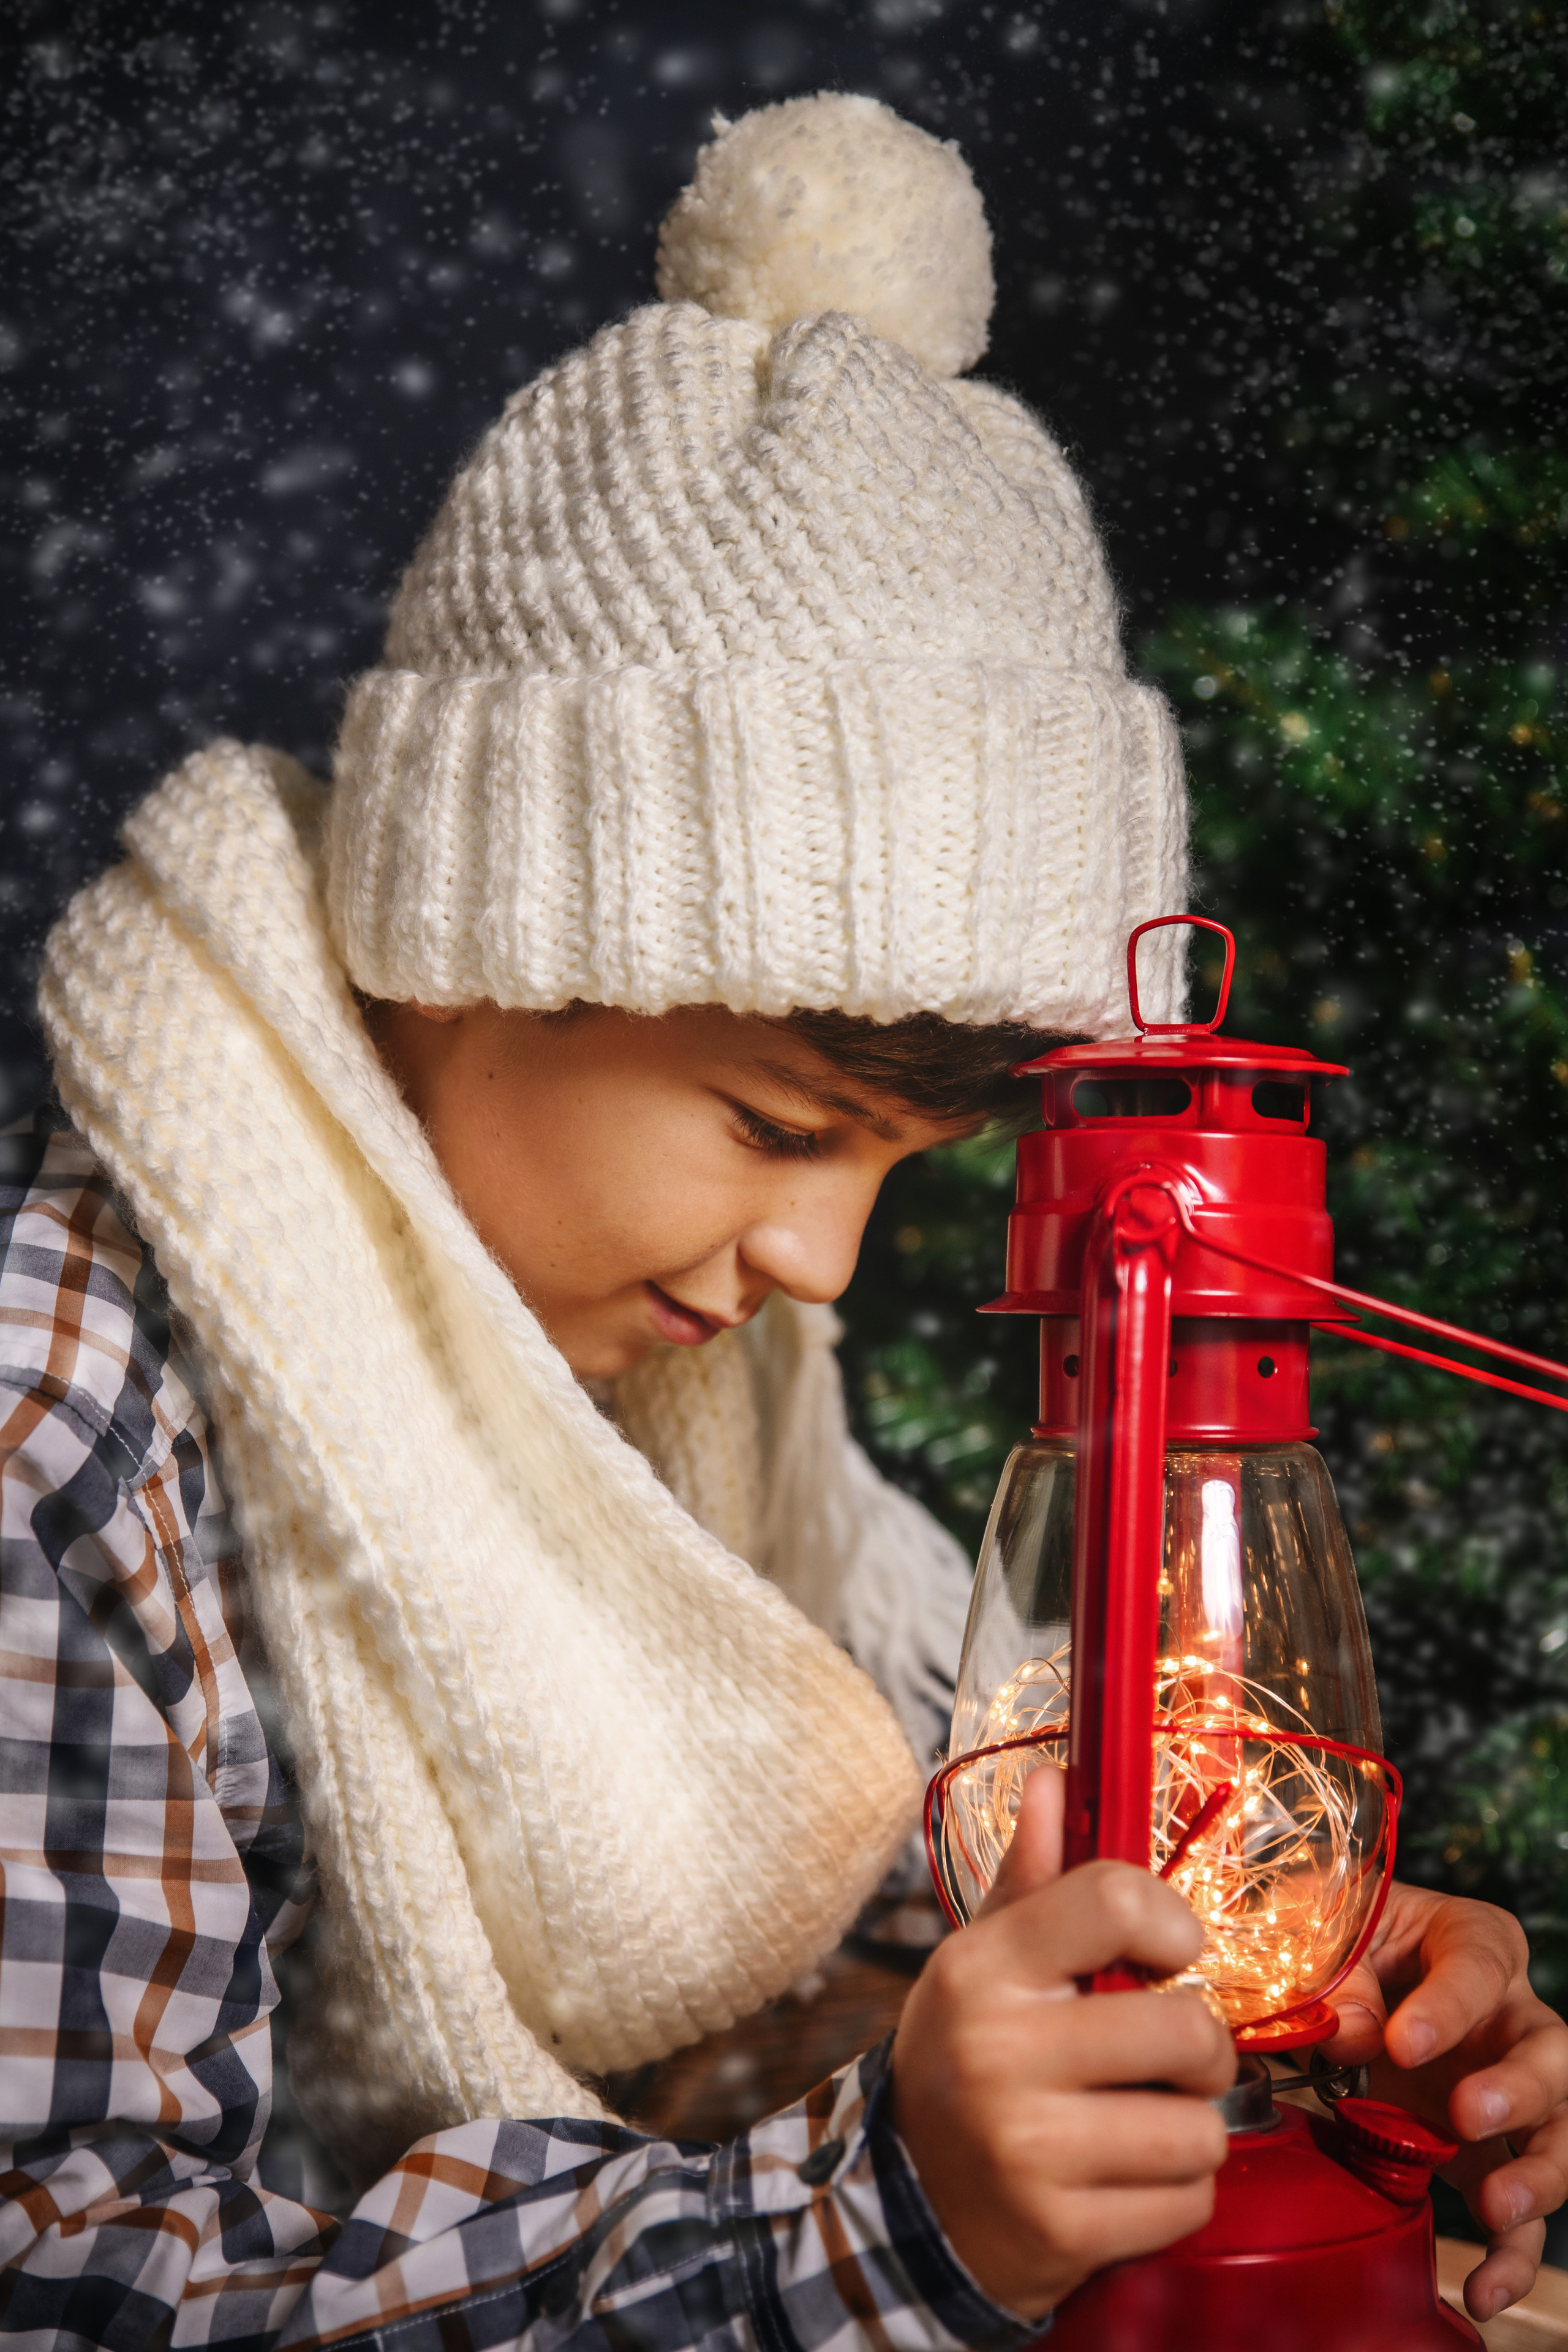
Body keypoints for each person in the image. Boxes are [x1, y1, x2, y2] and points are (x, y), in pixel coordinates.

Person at [2, 89, 1564, 2352]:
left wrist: (1268, 2017)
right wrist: (866, 2225)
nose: (821, 1272)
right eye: (768, 1123)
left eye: (890, 1174)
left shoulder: (684, 1390)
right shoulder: (65, 1434)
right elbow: (60, 2287)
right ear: (473, 943)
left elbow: (837, 1952)